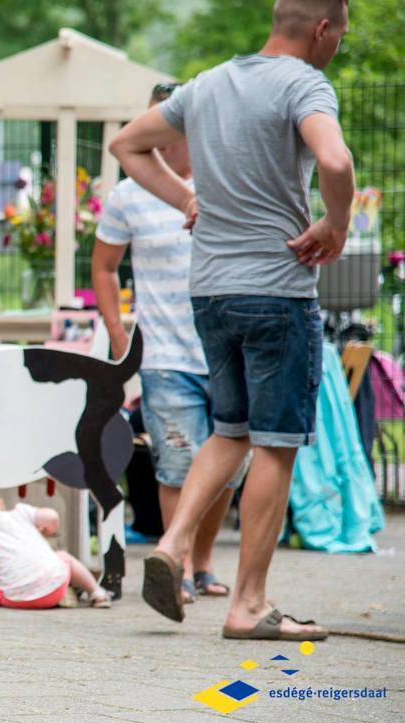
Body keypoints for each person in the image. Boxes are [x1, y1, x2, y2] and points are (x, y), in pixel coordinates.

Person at [110, 0, 354, 640]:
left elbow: (127, 144)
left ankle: (173, 545)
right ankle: (248, 605)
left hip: (210, 293)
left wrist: (188, 199)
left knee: (230, 429)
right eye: (341, 36)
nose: (337, 48)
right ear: (322, 28)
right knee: (275, 442)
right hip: (276, 290)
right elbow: (335, 162)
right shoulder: (305, 82)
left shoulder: (207, 83)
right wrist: (337, 223)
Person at [92, 84, 248, 604]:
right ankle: (175, 567)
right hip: (164, 356)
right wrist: (118, 332)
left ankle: (202, 564)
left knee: (226, 471)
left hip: (225, 350)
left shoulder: (223, 182)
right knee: (177, 464)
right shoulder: (127, 194)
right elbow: (105, 266)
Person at [0, 488, 111, 609]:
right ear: (1, 504)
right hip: (54, 589)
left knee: (0, 589)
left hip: (16, 600)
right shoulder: (20, 512)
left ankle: (45, 592)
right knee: (63, 557)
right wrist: (49, 529)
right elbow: (52, 516)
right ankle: (96, 592)